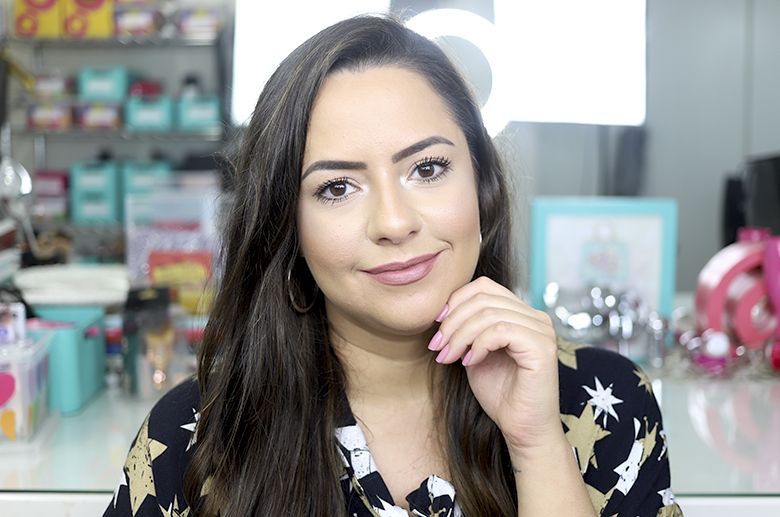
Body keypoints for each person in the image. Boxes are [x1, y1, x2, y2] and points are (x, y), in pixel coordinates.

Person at [105, 15, 683, 517]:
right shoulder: (193, 438)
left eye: (427, 169)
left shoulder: (607, 405)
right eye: (337, 187)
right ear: (288, 228)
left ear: (482, 187)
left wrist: (537, 447)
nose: (394, 221)